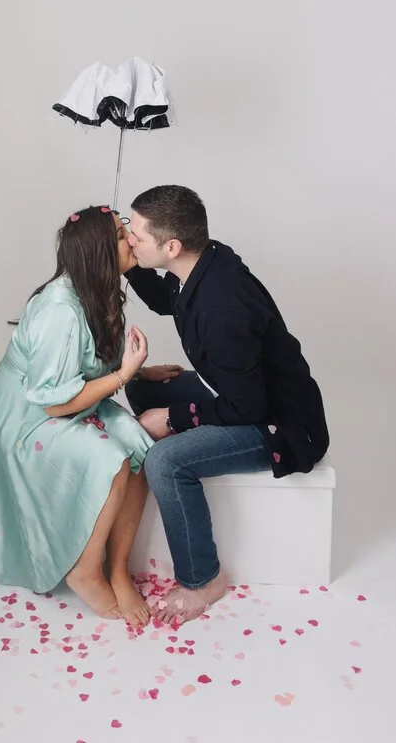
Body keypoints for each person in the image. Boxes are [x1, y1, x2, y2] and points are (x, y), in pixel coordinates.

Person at [124, 185, 330, 625]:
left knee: (165, 461)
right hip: (239, 394)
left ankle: (203, 580)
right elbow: (167, 300)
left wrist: (175, 419)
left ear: (172, 245)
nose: (129, 239)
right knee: (143, 391)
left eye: (136, 235)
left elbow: (248, 408)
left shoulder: (221, 309)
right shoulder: (205, 260)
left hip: (277, 425)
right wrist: (129, 266)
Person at [0, 205, 171, 628]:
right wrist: (125, 374)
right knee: (111, 460)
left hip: (73, 400)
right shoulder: (60, 308)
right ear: (99, 252)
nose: (132, 238)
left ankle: (117, 568)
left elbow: (87, 363)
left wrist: (138, 370)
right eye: (120, 234)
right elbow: (53, 401)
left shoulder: (98, 291)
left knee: (139, 448)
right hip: (25, 418)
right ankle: (85, 569)